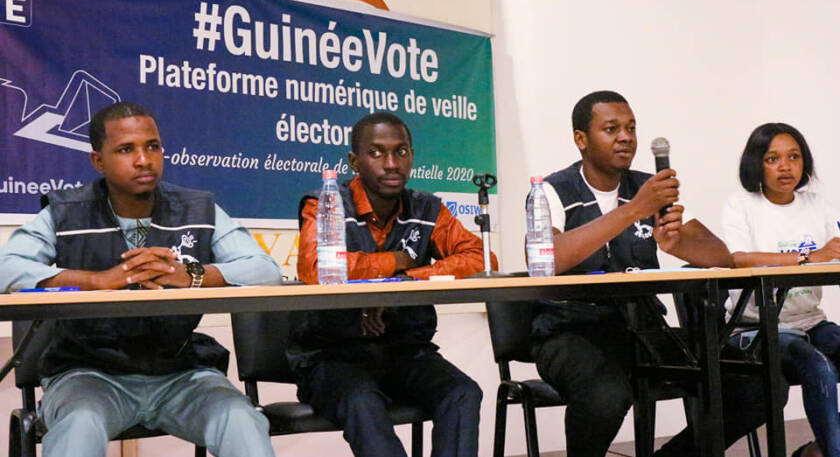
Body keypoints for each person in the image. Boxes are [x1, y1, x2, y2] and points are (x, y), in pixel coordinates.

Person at [0, 102, 280, 457]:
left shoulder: (198, 208)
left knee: (241, 421)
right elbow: (6, 268)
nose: (144, 160)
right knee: (78, 427)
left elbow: (266, 270)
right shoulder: (66, 211)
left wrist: (192, 275)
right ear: (98, 161)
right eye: (125, 149)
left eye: (152, 146)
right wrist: (96, 281)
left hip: (180, 372)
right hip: (88, 374)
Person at [534, 90, 781, 457]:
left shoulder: (648, 188)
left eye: (631, 128)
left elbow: (721, 257)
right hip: (571, 331)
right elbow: (547, 259)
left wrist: (678, 244)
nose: (625, 137)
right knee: (606, 395)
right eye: (612, 129)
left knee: (758, 383)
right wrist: (634, 210)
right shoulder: (552, 190)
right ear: (581, 139)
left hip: (642, 327)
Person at [292, 112, 495, 457]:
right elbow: (317, 268)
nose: (391, 163)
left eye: (401, 152)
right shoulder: (324, 204)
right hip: (333, 356)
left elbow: (480, 257)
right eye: (376, 153)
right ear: (354, 161)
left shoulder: (427, 208)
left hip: (404, 351)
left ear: (412, 156)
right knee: (362, 401)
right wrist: (394, 262)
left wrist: (406, 280)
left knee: (462, 393)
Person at [722, 122, 840, 457]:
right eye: (773, 158)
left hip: (811, 322)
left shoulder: (818, 205)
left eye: (794, 157)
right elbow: (738, 258)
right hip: (757, 329)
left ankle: (818, 450)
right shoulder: (742, 204)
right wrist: (808, 257)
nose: (785, 166)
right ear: (756, 163)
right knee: (818, 367)